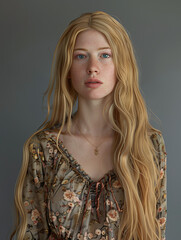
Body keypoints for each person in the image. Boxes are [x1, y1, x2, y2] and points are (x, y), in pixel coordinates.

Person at [10, 11, 167, 240]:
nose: (93, 67)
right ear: (68, 69)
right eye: (81, 56)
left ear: (121, 66)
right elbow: (33, 234)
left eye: (105, 55)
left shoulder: (149, 145)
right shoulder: (43, 149)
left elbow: (156, 231)